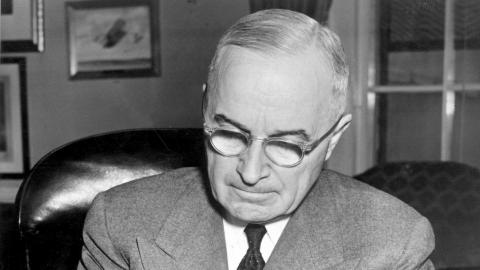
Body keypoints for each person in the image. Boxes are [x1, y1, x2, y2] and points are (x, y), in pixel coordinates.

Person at [78, 9, 435, 270]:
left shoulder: (393, 243)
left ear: (334, 138)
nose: (250, 173)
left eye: (286, 145)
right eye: (231, 134)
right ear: (205, 109)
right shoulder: (123, 225)